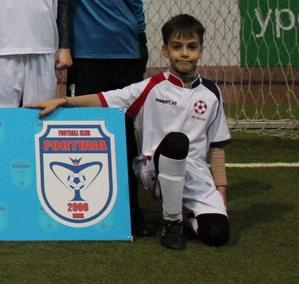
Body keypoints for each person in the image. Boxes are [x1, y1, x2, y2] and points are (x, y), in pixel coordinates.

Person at [29, 14, 231, 251]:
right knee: (177, 142)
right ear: (165, 51)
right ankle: (172, 223)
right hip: (155, 170)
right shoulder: (151, 87)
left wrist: (221, 193)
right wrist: (64, 101)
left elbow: (216, 147)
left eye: (191, 47)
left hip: (196, 175)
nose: (184, 53)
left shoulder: (211, 93)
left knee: (217, 234)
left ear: (201, 51)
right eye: (177, 47)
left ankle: (188, 217)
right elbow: (104, 99)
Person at [51, 0, 151, 235]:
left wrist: (140, 38)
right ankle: (92, 208)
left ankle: (132, 213)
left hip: (126, 54)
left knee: (124, 136)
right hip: (87, 57)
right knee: (89, 134)